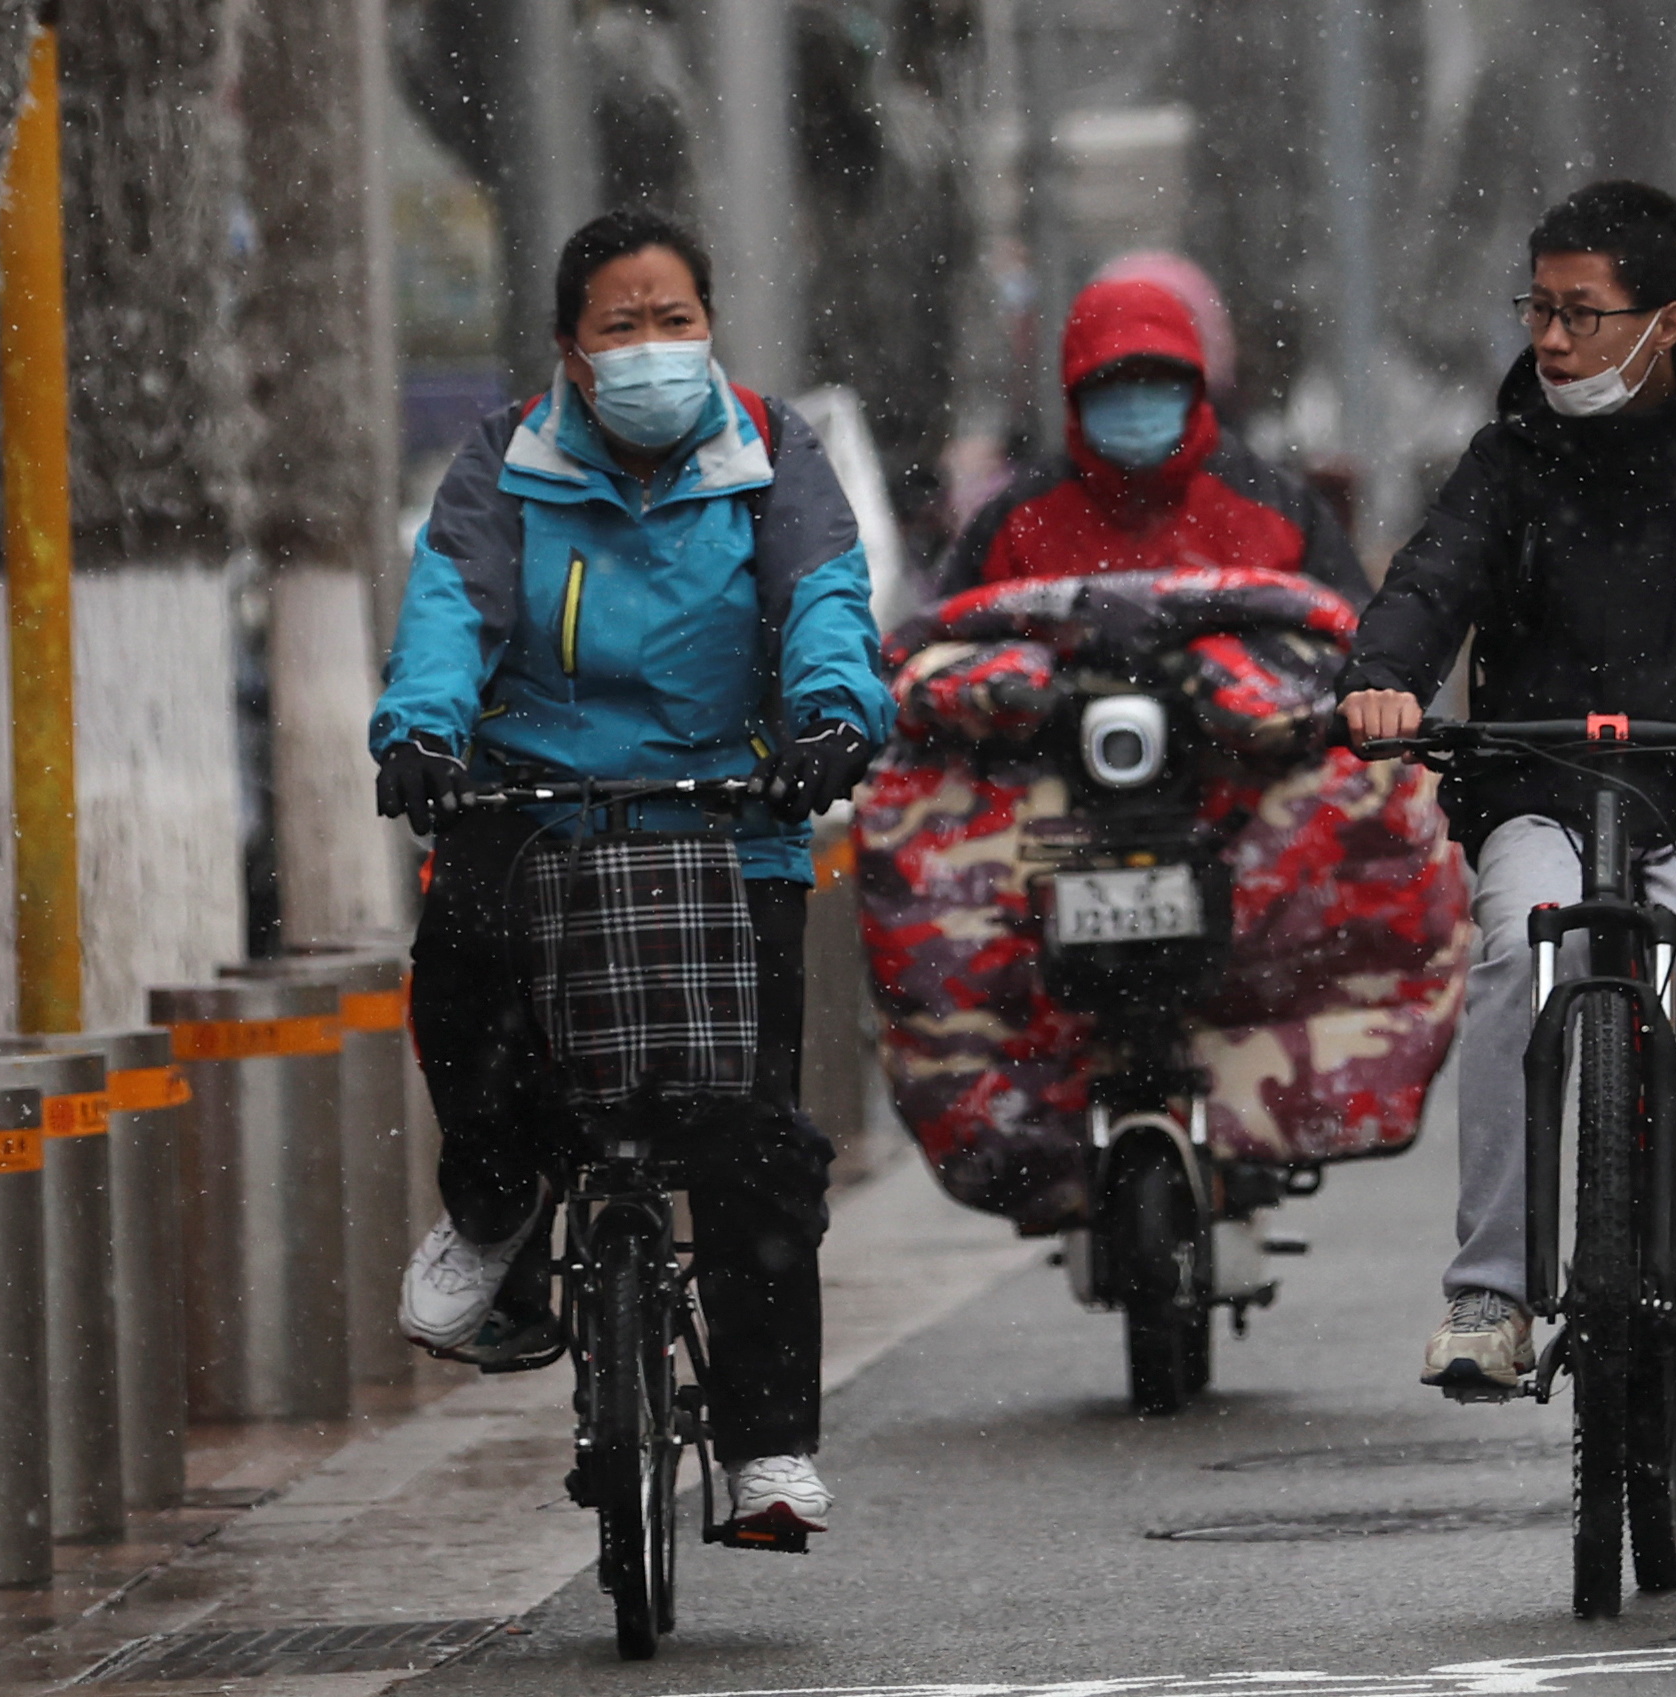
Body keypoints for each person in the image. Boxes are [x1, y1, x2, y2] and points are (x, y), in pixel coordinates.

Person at [371, 211, 893, 1543]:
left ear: (710, 326)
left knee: (752, 1138)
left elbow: (825, 595)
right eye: (622, 324)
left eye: (675, 320)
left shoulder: (772, 452)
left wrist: (834, 720)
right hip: (535, 804)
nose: (653, 348)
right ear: (567, 348)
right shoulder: (502, 462)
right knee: (463, 1000)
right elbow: (450, 608)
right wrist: (423, 734)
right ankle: (493, 1214)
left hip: (731, 814)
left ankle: (769, 1451)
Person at [1335, 179, 1676, 1398]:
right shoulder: (1505, 458)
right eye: (1536, 306)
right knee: (1512, 967)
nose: (1548, 337)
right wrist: (1380, 677)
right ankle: (1488, 1290)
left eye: (1581, 312)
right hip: (1536, 788)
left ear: (1668, 323)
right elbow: (1428, 585)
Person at [938, 271, 1369, 603]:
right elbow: (948, 652)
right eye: (1113, 382)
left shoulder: (1280, 512)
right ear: (1077, 394)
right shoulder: (1016, 525)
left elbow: (1349, 644)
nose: (1135, 403)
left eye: (1157, 381)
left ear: (1195, 387)